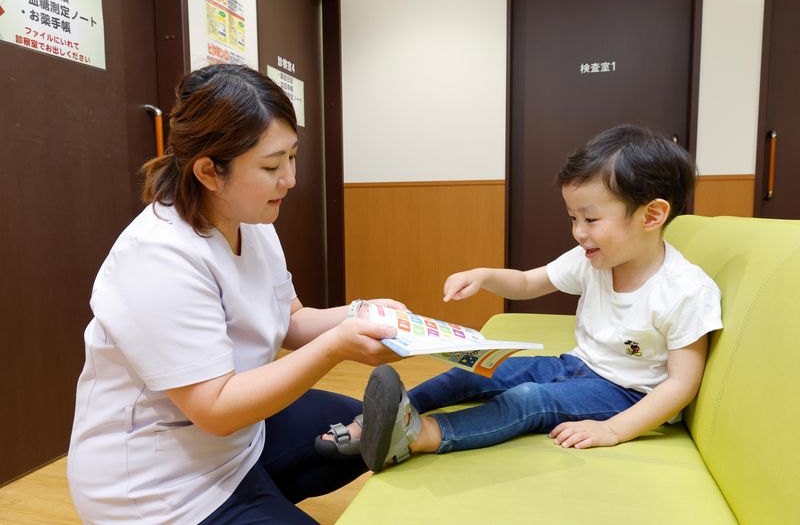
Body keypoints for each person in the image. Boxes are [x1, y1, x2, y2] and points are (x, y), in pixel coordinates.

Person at [67, 63, 403, 523]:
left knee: (376, 426)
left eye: (292, 157)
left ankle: (263, 497)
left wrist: (362, 313)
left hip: (239, 437)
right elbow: (216, 409)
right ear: (209, 171)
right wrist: (336, 347)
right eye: (271, 166)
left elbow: (290, 320)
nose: (290, 178)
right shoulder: (158, 255)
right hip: (160, 486)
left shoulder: (252, 219)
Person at [322, 124, 723, 473]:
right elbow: (529, 283)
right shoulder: (594, 258)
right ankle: (373, 420)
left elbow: (681, 384)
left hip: (626, 393)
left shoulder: (686, 290)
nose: (578, 232)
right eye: (573, 218)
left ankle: (419, 434)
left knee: (529, 399)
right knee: (474, 370)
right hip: (575, 365)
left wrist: (613, 429)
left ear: (651, 216)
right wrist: (485, 276)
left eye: (591, 219)